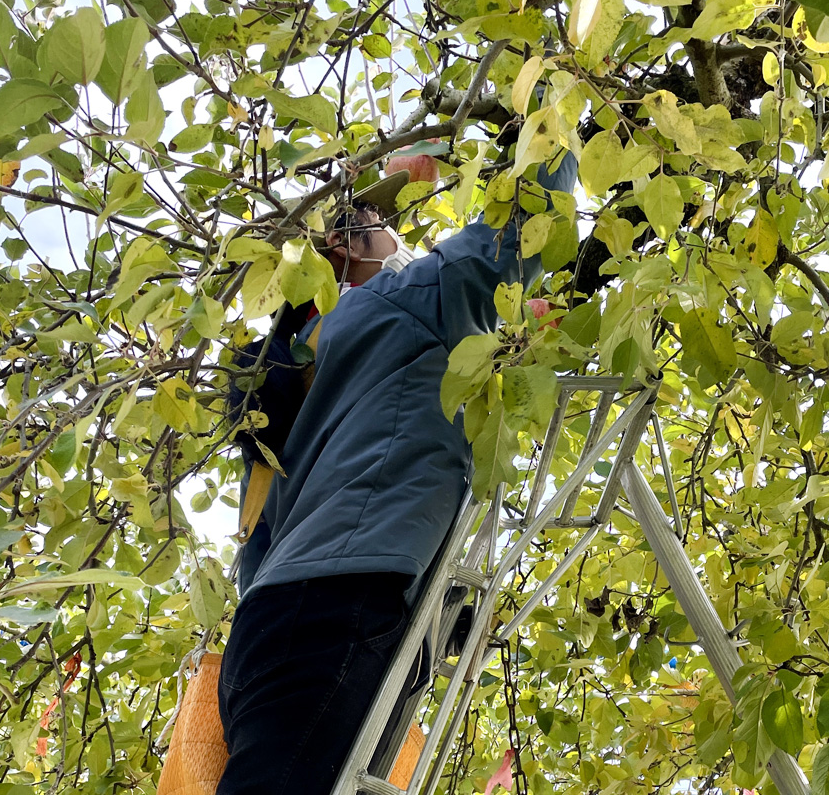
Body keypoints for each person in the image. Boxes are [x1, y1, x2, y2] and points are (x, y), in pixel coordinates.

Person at [216, 150, 577, 795]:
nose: (401, 236)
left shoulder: (286, 380)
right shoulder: (401, 302)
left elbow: (255, 559)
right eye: (385, 223)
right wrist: (550, 95)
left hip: (267, 636)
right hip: (337, 613)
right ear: (344, 242)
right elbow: (534, 213)